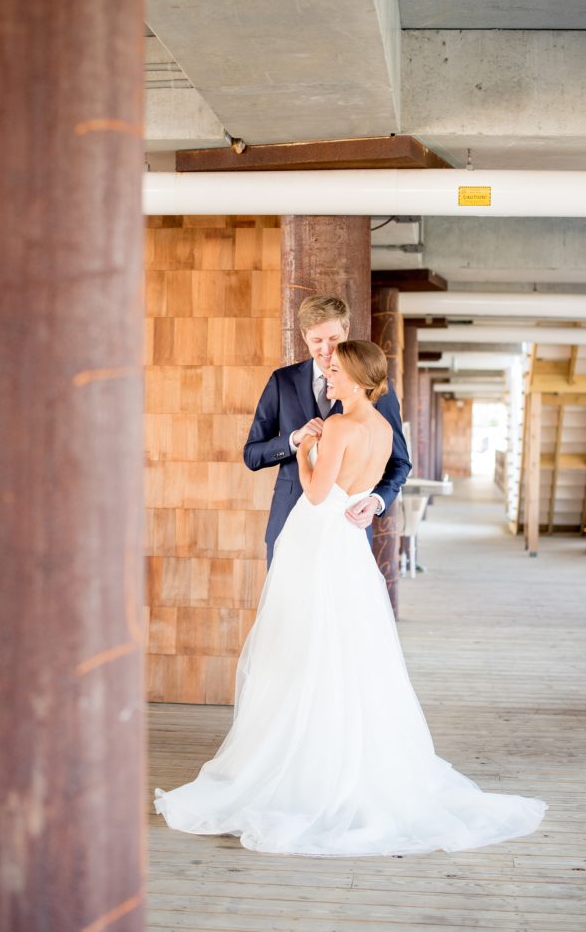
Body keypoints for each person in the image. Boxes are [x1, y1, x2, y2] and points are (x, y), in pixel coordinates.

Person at [154, 340, 548, 857]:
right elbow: (367, 480)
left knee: (301, 642)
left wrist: (300, 448)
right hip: (347, 545)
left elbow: (316, 493)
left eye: (336, 371)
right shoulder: (382, 428)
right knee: (347, 648)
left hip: (317, 537)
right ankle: (340, 753)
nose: (329, 378)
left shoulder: (339, 426)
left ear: (359, 378)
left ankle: (300, 762)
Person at [243, 294, 411, 567]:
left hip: (346, 528)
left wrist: (378, 500)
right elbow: (252, 455)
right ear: (303, 336)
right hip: (289, 523)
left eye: (333, 339)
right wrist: (295, 440)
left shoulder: (377, 389)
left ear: (346, 330)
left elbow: (400, 462)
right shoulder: (282, 381)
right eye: (317, 341)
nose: (327, 350)